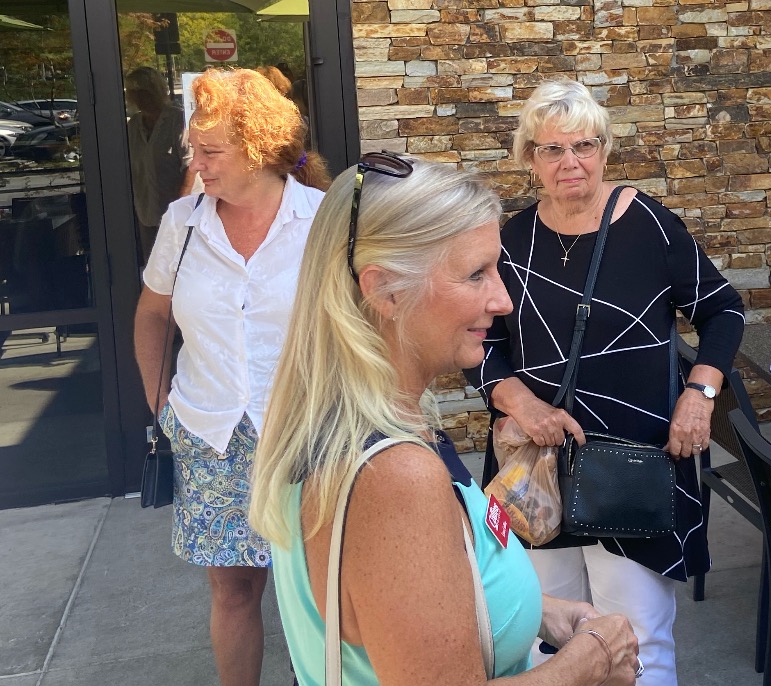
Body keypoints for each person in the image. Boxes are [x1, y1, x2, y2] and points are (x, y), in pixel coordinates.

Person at [249, 155, 640, 685]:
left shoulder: (333, 419)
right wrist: (590, 660)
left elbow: (401, 603)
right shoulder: (395, 478)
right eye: (475, 273)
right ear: (385, 291)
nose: (502, 300)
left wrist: (538, 609)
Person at [464, 78, 746, 686]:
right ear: (529, 159)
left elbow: (724, 310)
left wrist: (699, 396)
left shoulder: (649, 225)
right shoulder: (510, 241)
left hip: (634, 467)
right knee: (547, 644)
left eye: (584, 145)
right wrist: (520, 403)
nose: (571, 161)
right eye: (552, 149)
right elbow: (478, 343)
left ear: (605, 149)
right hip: (534, 471)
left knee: (638, 646)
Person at [133, 68, 330, 686]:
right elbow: (152, 315)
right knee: (234, 592)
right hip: (211, 431)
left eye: (210, 151)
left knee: (320, 592)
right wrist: (162, 407)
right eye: (194, 147)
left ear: (259, 148)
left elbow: (361, 327)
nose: (196, 162)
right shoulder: (182, 222)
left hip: (305, 434)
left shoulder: (323, 222)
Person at [124, 66, 194, 266]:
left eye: (141, 92)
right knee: (154, 269)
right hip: (146, 211)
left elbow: (190, 165)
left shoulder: (176, 120)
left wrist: (181, 205)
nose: (136, 98)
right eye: (133, 93)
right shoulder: (134, 125)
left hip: (176, 212)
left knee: (177, 267)